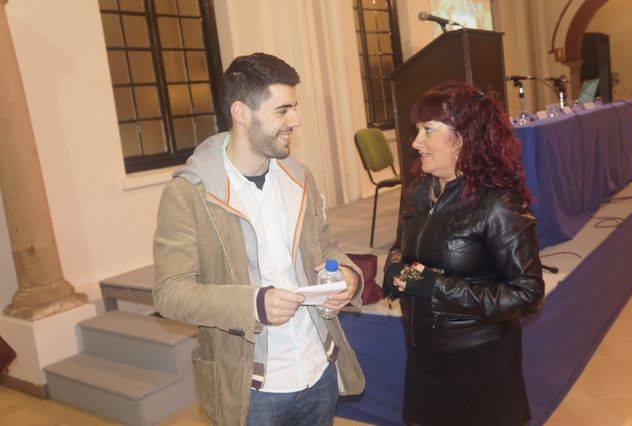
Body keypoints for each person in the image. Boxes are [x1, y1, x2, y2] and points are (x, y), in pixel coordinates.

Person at [153, 52, 365, 426]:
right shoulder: (189, 194)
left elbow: (326, 246)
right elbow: (170, 293)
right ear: (241, 112)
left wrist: (347, 276)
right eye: (282, 110)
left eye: (294, 108)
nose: (295, 120)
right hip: (252, 389)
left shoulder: (300, 178)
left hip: (319, 370)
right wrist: (253, 304)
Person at [383, 82, 544, 426]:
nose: (415, 142)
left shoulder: (499, 204)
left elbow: (527, 294)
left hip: (478, 362)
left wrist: (437, 288)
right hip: (422, 354)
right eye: (417, 130)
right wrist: (397, 270)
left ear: (462, 138)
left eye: (427, 130)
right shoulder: (418, 191)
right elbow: (403, 250)